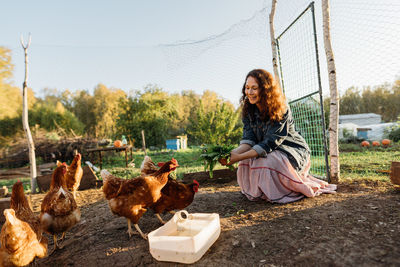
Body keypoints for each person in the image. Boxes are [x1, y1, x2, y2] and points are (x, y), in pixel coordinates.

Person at [225, 69, 336, 203]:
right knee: (245, 161)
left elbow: (271, 142)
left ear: (265, 89)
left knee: (265, 160)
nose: (249, 92)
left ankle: (282, 190)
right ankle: (261, 192)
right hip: (269, 151)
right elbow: (249, 140)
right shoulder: (249, 109)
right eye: (247, 88)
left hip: (291, 151)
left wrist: (239, 157)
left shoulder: (280, 108)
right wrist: (232, 154)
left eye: (254, 88)